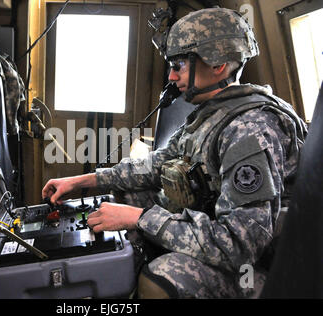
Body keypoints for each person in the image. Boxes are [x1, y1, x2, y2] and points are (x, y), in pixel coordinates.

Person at [42, 7, 307, 298]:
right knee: (123, 196)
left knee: (161, 280)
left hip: (257, 269)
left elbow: (239, 246)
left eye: (179, 65)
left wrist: (139, 218)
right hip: (216, 231)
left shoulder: (250, 130)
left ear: (217, 64)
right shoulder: (212, 113)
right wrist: (85, 181)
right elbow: (161, 163)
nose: (170, 75)